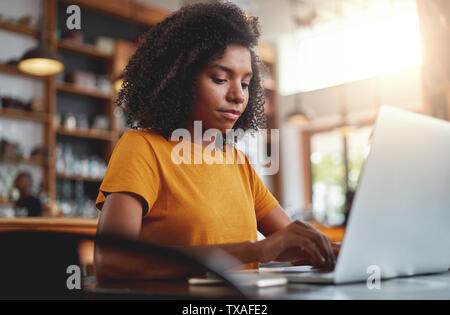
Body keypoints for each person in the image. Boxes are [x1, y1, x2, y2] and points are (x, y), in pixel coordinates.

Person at [94, 2, 338, 281]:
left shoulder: (238, 163)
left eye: (245, 84)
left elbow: (290, 244)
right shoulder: (142, 148)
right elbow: (111, 263)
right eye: (220, 78)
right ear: (179, 80)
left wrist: (336, 251)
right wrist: (254, 251)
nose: (238, 95)